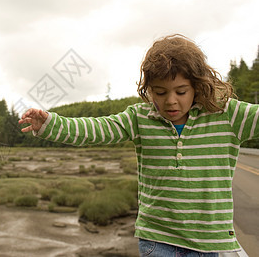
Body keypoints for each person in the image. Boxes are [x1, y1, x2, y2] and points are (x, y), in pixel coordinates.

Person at [18, 34, 259, 256]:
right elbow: (97, 130)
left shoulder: (227, 114)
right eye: (160, 92)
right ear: (149, 90)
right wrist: (50, 124)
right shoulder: (140, 117)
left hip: (210, 243)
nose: (171, 101)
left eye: (181, 91)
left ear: (196, 86)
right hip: (158, 240)